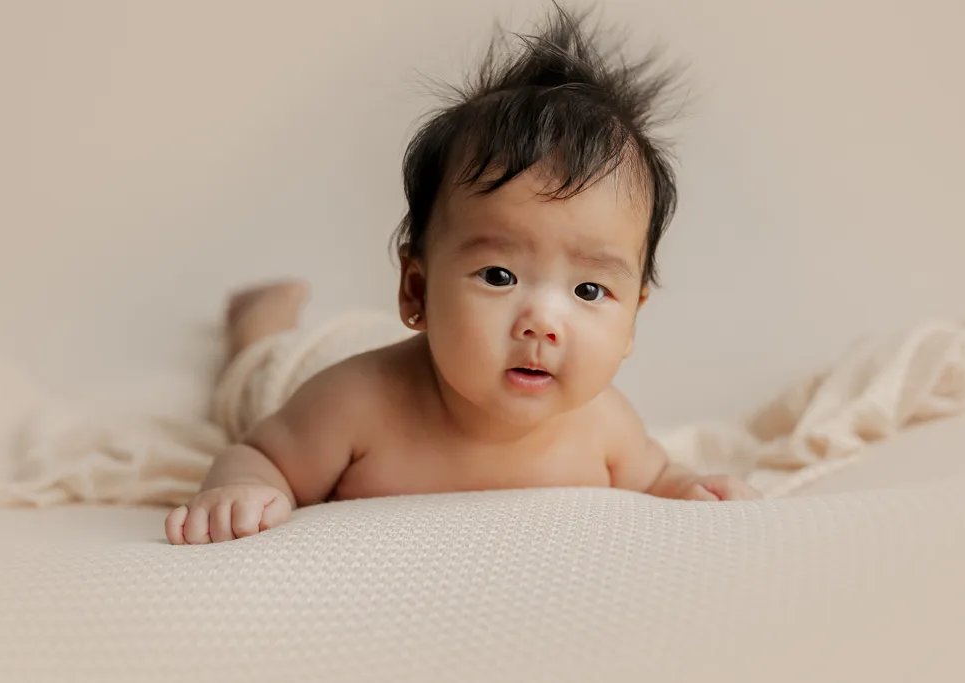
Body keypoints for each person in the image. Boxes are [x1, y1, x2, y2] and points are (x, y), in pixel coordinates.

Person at [165, 6, 761, 545]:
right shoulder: (349, 405)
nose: (542, 323)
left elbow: (656, 472)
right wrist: (240, 488)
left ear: (632, 319)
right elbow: (260, 455)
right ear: (416, 290)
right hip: (308, 365)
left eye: (588, 290)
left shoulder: (605, 426)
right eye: (499, 276)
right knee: (256, 369)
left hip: (435, 338)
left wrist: (689, 488)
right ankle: (258, 321)